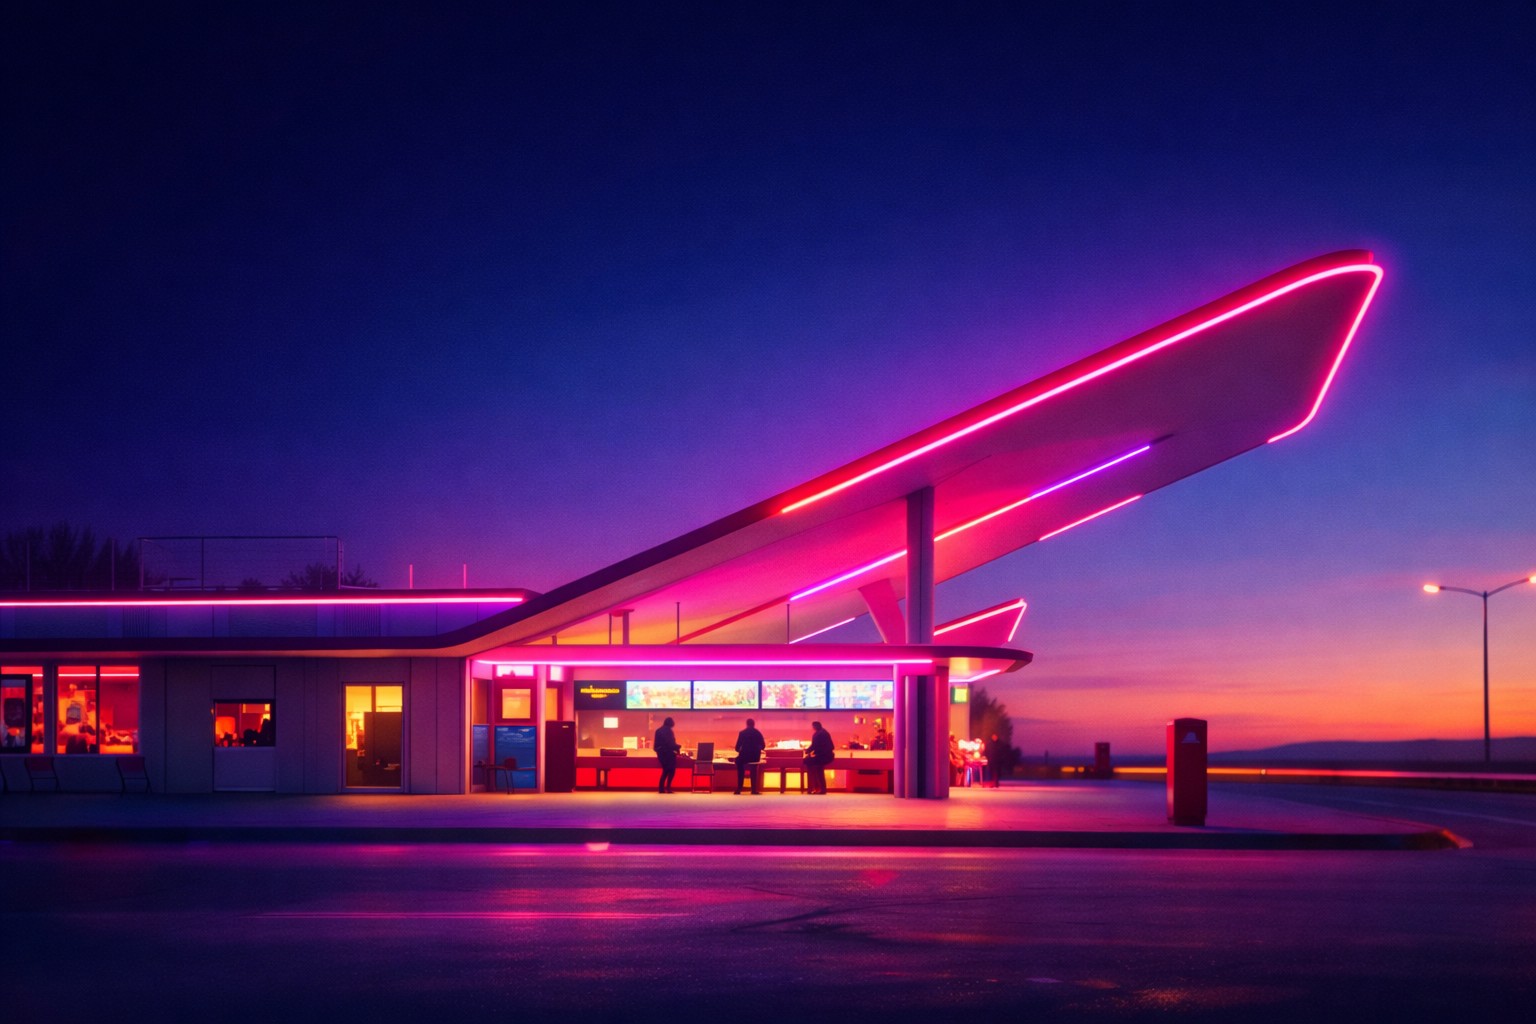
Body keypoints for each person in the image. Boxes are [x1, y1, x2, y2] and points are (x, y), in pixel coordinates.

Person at [733, 717, 766, 794]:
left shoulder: (742, 733)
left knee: (739, 764)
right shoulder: (758, 733)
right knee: (753, 769)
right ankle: (753, 790)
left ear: (747, 724)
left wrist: (741, 750)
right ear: (754, 724)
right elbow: (763, 746)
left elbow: (737, 748)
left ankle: (739, 788)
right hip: (755, 757)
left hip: (744, 757)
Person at [803, 720, 834, 794]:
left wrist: (807, 751)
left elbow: (814, 745)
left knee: (809, 763)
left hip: (822, 757)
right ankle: (819, 788)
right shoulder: (824, 732)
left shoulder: (818, 734)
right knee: (818, 769)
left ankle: (814, 787)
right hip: (828, 755)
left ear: (814, 726)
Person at [653, 716, 681, 793]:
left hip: (661, 754)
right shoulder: (669, 731)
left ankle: (661, 788)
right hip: (669, 754)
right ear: (671, 723)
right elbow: (670, 744)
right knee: (671, 771)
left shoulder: (658, 730)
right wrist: (678, 747)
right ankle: (668, 787)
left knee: (665, 770)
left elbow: (656, 745)